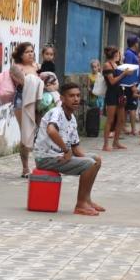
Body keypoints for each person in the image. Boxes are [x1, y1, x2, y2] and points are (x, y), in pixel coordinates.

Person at [33, 82, 105, 217]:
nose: (76, 99)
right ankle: (80, 205)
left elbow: (76, 148)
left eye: (78, 96)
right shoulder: (57, 112)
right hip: (46, 158)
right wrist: (66, 151)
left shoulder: (72, 118)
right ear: (62, 98)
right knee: (89, 164)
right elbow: (51, 130)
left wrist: (89, 161)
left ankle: (87, 200)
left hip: (59, 156)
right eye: (71, 96)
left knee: (95, 160)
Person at [18, 67, 44, 178]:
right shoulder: (18, 67)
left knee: (39, 135)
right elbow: (19, 82)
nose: (30, 54)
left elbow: (53, 83)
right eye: (27, 52)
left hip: (39, 102)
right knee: (25, 135)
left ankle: (40, 165)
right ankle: (25, 167)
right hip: (22, 101)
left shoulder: (38, 66)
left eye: (31, 51)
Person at [102, 46, 129, 152]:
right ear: (113, 55)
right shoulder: (107, 65)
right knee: (110, 119)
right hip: (111, 93)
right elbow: (112, 81)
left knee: (121, 119)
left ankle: (116, 142)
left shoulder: (117, 65)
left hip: (120, 93)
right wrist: (123, 74)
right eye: (117, 54)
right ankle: (105, 144)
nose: (119, 56)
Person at [122, 36, 140, 135]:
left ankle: (125, 127)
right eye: (137, 42)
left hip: (133, 83)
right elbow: (128, 69)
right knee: (132, 107)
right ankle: (132, 129)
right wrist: (133, 85)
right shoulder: (129, 54)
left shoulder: (133, 54)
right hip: (131, 84)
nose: (138, 44)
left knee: (128, 107)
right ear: (135, 43)